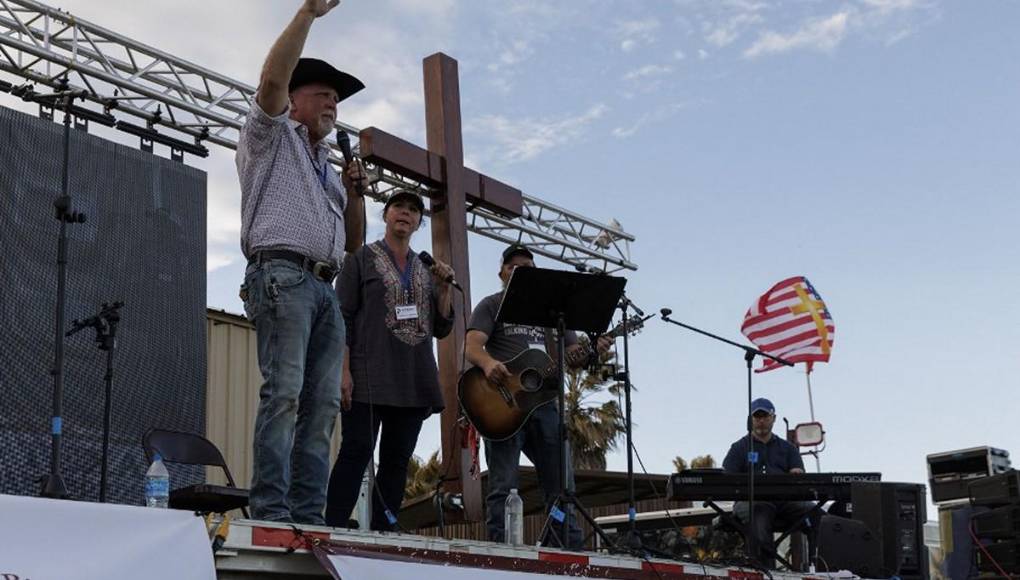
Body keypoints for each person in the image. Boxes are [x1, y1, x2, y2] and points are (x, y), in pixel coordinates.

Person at [235, 0, 367, 524]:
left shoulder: (328, 167)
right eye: (325, 95)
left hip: (323, 286)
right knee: (284, 394)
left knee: (324, 408)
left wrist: (357, 194)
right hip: (281, 276)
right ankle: (269, 510)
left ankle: (309, 516)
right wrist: (308, 14)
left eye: (338, 98)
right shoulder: (270, 135)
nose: (334, 104)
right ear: (295, 102)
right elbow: (270, 79)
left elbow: (354, 243)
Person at [464, 244, 611, 548]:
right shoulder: (492, 305)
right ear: (502, 273)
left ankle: (567, 551)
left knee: (562, 487)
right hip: (502, 404)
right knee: (503, 486)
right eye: (512, 266)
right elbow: (471, 345)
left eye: (527, 266)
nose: (519, 270)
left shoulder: (553, 314)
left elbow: (573, 355)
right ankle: (502, 553)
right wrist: (489, 363)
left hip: (546, 405)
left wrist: (592, 350)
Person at [325, 190, 456, 530]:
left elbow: (441, 327)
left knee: (397, 461)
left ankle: (384, 529)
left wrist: (443, 289)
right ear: (385, 215)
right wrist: (343, 370)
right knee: (357, 450)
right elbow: (343, 318)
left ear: (418, 222)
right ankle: (334, 524)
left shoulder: (426, 269)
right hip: (368, 374)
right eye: (399, 206)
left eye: (413, 210)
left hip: (413, 379)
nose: (405, 213)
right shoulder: (359, 259)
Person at [722, 398, 819, 568]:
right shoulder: (739, 448)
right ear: (750, 419)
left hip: (784, 502)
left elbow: (801, 480)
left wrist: (796, 476)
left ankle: (820, 567)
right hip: (751, 502)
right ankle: (764, 572)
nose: (761, 420)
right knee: (759, 511)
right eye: (757, 416)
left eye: (765, 416)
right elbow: (727, 481)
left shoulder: (788, 448)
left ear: (773, 418)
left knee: (817, 513)